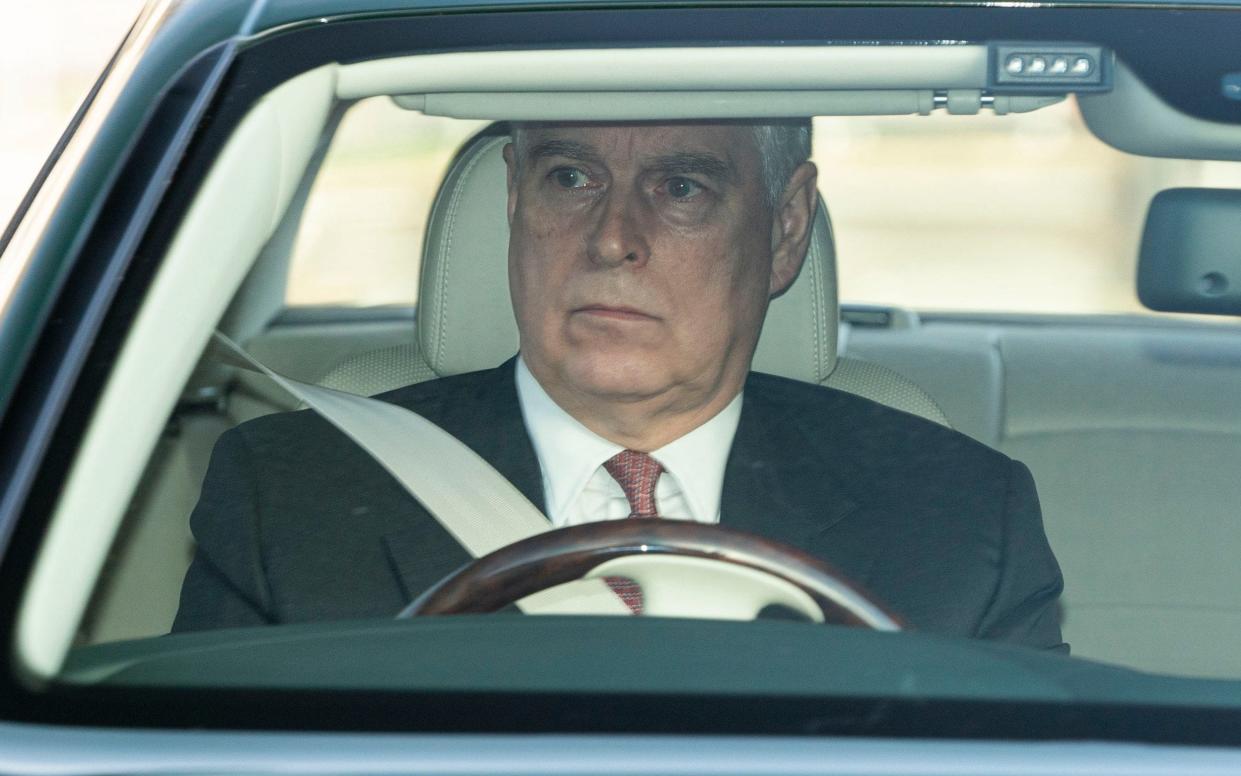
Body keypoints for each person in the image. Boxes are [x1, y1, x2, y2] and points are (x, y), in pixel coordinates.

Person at [173, 119, 1066, 652]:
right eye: (571, 177)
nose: (612, 239)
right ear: (515, 201)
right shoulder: (291, 494)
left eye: (680, 188)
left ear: (785, 229)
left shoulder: (955, 515)